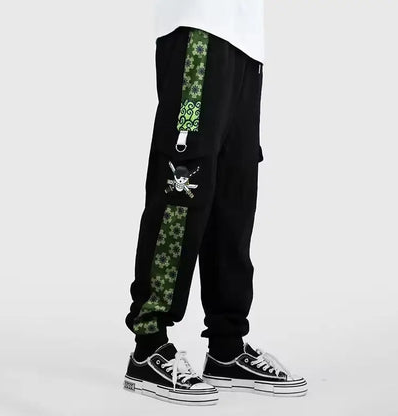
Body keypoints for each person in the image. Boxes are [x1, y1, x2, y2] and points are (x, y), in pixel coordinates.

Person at [123, 0, 307, 405]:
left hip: (247, 46)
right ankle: (148, 345)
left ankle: (227, 348)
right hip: (198, 30)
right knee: (182, 187)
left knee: (233, 194)